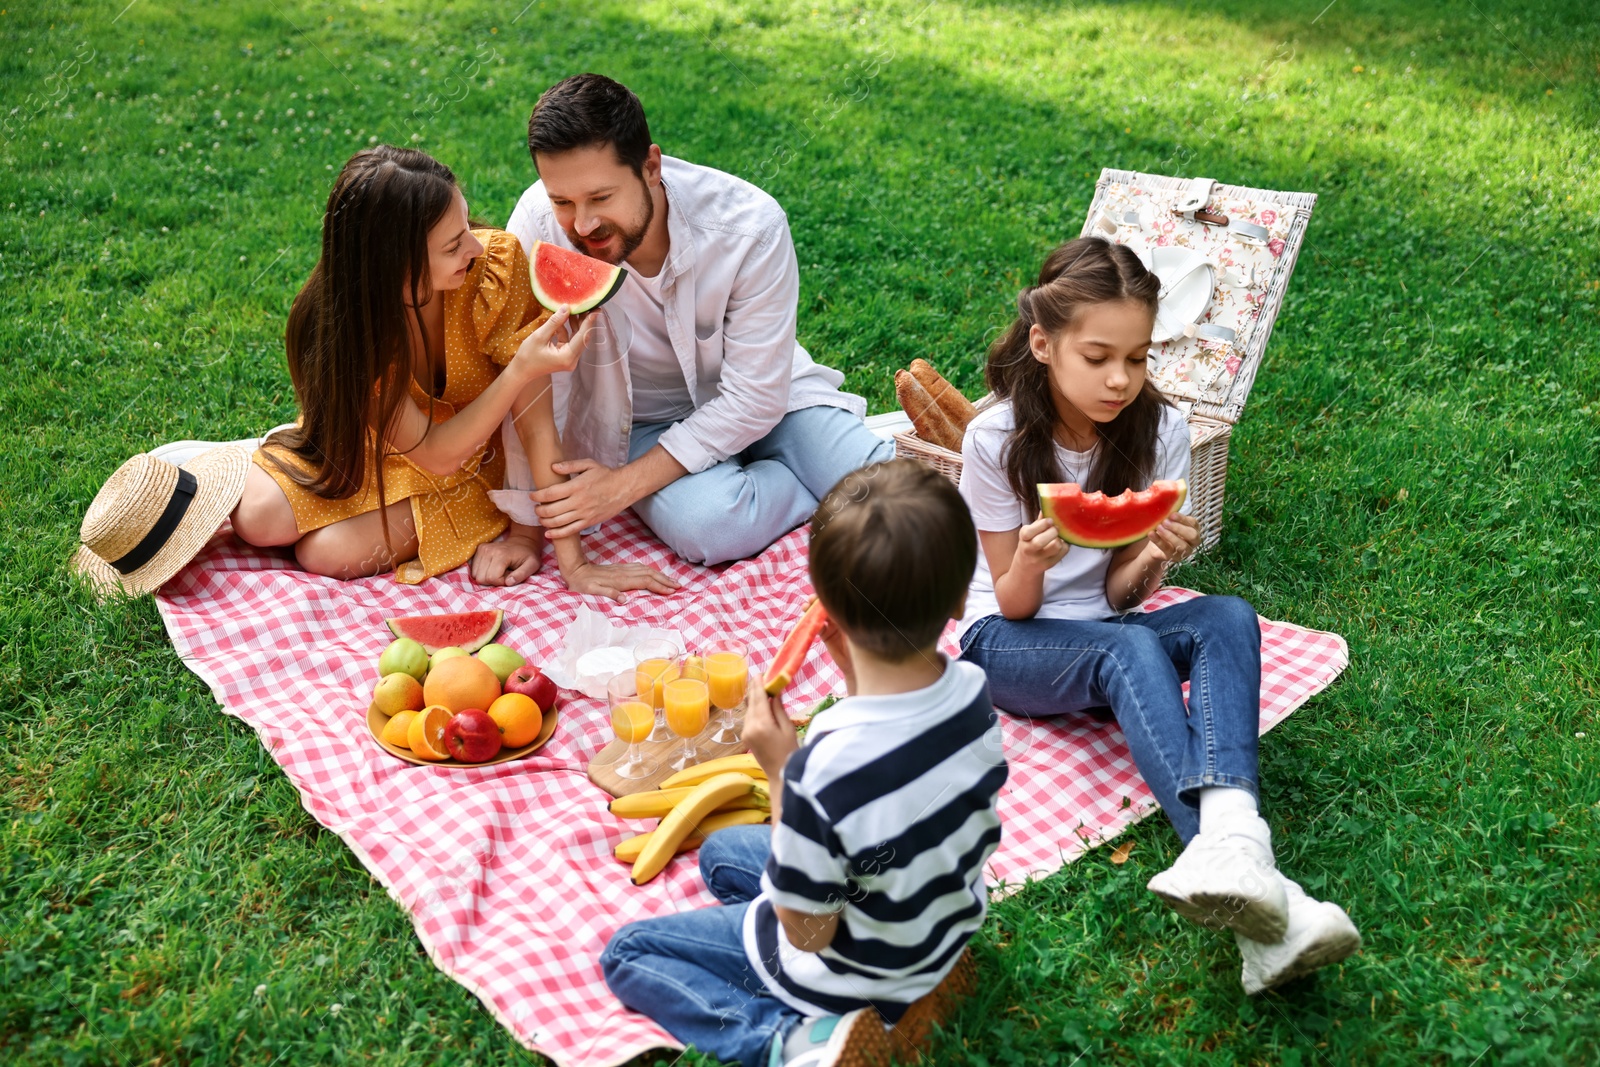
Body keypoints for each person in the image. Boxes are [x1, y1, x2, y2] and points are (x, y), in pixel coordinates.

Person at [955, 236, 1360, 994]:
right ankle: (1235, 863)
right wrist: (1034, 562)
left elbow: (1116, 596)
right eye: (1098, 356)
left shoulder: (1162, 431)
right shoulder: (995, 437)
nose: (1120, 379)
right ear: (1044, 344)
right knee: (1128, 657)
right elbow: (1010, 599)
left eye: (1137, 359)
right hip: (1004, 636)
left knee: (1228, 616)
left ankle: (1239, 860)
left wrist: (1154, 557)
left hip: (1099, 627)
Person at [600, 460, 1007, 1067]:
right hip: (934, 929)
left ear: (828, 628)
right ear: (957, 599)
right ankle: (928, 984)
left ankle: (791, 1042)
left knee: (629, 954)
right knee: (720, 855)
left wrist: (780, 773)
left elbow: (807, 931)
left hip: (850, 965)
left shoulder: (826, 765)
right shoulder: (974, 693)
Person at [225, 145, 675, 599]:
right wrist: (518, 370)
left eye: (466, 226)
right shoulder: (342, 325)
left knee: (323, 553)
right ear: (393, 268)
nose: (476, 246)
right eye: (452, 244)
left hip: (471, 463)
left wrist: (572, 563)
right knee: (257, 519)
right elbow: (428, 448)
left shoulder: (493, 272)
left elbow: (536, 431)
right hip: (396, 444)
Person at [503, 74, 894, 566]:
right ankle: (808, 480)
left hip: (763, 399)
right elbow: (530, 385)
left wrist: (621, 488)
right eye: (562, 201)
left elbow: (754, 397)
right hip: (640, 422)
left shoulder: (750, 227)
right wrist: (525, 531)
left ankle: (789, 464)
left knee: (890, 489)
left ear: (650, 166)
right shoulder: (536, 227)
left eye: (601, 198)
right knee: (715, 529)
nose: (581, 225)